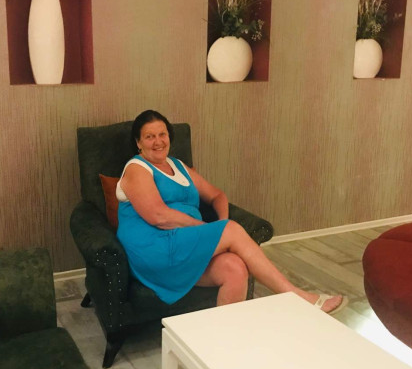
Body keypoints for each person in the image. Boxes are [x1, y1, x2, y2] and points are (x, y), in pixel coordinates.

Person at [115, 110, 348, 313]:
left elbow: (217, 195)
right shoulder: (137, 168)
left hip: (184, 243)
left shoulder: (177, 165)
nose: (158, 141)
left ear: (169, 136)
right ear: (138, 142)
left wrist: (223, 227)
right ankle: (298, 297)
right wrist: (217, 230)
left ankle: (224, 339)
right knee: (230, 232)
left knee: (235, 268)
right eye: (149, 136)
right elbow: (159, 217)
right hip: (154, 247)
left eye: (162, 134)